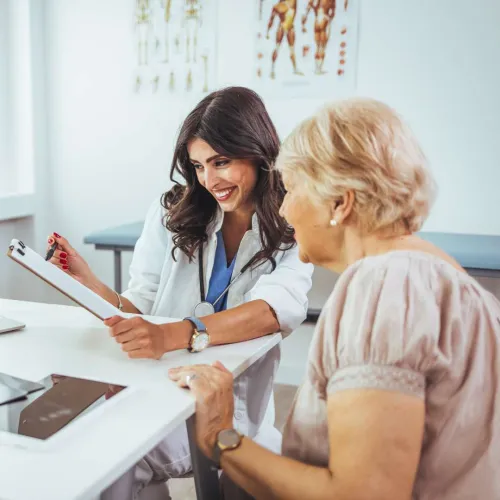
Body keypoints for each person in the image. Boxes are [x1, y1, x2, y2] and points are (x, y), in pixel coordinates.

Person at [169, 97, 500, 499]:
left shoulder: (383, 286)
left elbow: (362, 494)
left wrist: (222, 438)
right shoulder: (442, 274)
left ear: (340, 203)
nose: (285, 210)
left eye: (291, 190)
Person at [46, 86, 313, 499]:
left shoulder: (293, 216)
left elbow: (273, 311)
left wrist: (172, 335)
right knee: (91, 441)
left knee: (119, 454)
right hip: (157, 388)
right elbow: (140, 305)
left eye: (221, 162)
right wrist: (89, 285)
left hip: (231, 404)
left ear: (258, 152)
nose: (209, 180)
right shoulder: (173, 211)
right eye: (198, 166)